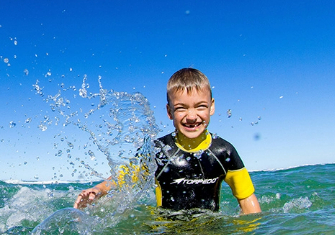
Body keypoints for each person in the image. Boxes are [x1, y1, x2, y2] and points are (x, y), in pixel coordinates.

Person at [74, 68, 261, 214]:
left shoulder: (224, 152)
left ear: (211, 107)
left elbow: (246, 199)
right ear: (169, 111)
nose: (191, 116)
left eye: (200, 107)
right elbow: (125, 177)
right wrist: (98, 190)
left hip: (210, 233)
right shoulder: (159, 151)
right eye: (181, 108)